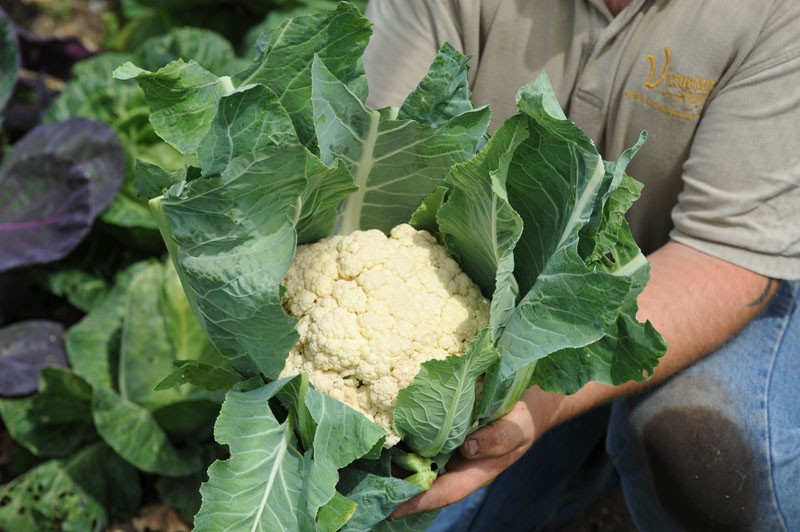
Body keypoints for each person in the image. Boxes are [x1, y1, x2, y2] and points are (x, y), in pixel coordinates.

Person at [362, 1, 800, 530]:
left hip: (695, 274)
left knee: (702, 445)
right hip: (494, 309)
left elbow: (723, 256)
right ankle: (587, 461)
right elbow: (374, 162)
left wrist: (540, 403)